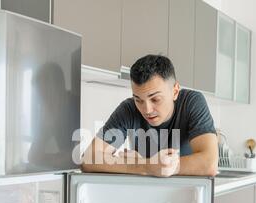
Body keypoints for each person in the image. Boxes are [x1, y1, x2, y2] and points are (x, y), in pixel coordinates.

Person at [82, 54, 219, 177]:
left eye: (155, 99)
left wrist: (160, 167)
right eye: (138, 100)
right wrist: (146, 166)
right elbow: (88, 159)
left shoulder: (191, 102)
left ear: (175, 91)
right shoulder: (128, 109)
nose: (146, 109)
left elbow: (209, 163)